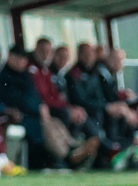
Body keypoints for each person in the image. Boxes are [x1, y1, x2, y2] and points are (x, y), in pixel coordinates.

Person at [31, 37, 100, 166]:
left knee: (75, 115)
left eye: (48, 51)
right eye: (42, 51)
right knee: (62, 117)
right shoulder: (35, 70)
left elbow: (54, 96)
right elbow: (44, 97)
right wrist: (67, 109)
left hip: (53, 109)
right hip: (41, 111)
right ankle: (70, 154)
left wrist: (70, 107)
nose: (45, 54)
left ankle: (83, 147)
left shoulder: (46, 72)